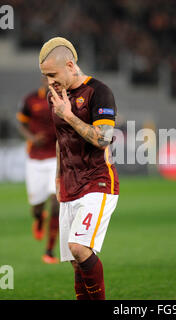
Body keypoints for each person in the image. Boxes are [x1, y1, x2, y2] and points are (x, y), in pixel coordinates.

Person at [39, 37, 119, 300]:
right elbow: (61, 141)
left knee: (79, 247)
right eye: (45, 76)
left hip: (98, 181)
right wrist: (58, 177)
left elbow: (103, 138)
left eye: (52, 74)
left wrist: (70, 115)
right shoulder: (56, 97)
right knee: (75, 262)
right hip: (70, 185)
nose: (49, 81)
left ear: (70, 65)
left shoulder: (99, 92)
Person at [17, 80, 59, 264]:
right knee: (36, 207)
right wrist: (33, 138)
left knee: (56, 203)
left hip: (57, 157)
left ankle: (49, 251)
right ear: (43, 78)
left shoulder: (64, 100)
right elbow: (21, 123)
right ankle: (39, 218)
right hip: (35, 159)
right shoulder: (30, 99)